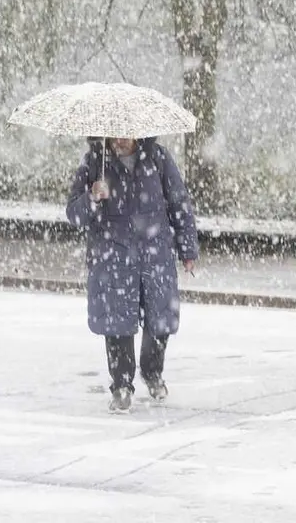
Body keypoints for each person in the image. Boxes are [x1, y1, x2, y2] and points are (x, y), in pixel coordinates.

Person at [66, 137, 198, 413]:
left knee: (159, 321)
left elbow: (179, 203)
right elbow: (74, 214)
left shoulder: (158, 158)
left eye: (129, 130)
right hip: (113, 258)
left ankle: (152, 372)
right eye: (116, 130)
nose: (123, 136)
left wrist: (188, 249)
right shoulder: (94, 163)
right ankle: (122, 384)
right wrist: (92, 197)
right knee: (117, 325)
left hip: (155, 255)